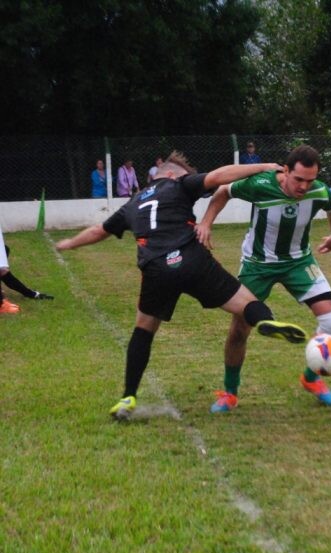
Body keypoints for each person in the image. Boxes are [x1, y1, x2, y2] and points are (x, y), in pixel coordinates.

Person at [56, 151, 307, 420]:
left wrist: (69, 243)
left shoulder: (132, 203)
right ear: (173, 174)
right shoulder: (178, 184)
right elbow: (219, 177)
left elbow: (99, 231)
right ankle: (266, 320)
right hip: (191, 258)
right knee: (245, 303)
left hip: (155, 267)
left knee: (143, 330)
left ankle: (128, 396)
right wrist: (265, 166)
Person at [196, 144, 331, 413]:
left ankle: (311, 379)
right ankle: (229, 392)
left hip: (299, 262)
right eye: (298, 179)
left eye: (309, 181)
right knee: (240, 329)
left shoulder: (319, 190)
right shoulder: (261, 185)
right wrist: (205, 222)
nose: (303, 187)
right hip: (258, 265)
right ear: (285, 171)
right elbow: (223, 191)